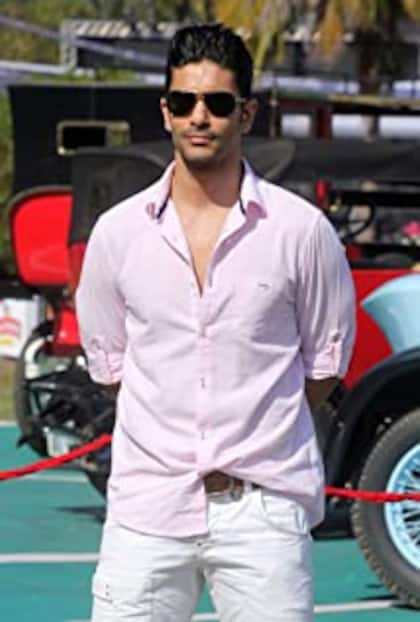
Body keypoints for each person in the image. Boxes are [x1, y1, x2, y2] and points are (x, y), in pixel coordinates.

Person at [76, 22, 356, 622]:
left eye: (218, 103)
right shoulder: (117, 235)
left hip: (263, 512)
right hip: (147, 510)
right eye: (184, 102)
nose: (199, 116)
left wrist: (253, 427)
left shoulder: (301, 233)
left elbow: (324, 367)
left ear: (246, 114)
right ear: (166, 111)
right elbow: (111, 365)